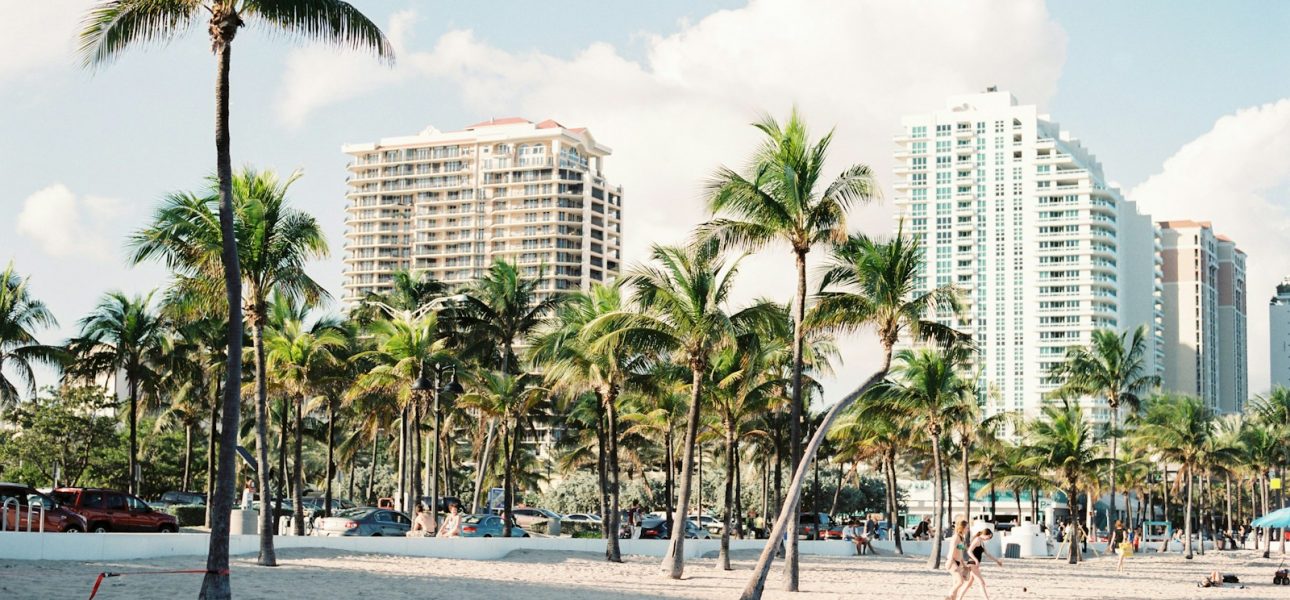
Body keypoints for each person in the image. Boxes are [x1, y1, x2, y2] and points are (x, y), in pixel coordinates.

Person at [960, 528, 1003, 600]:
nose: (988, 539)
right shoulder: (977, 540)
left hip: (974, 564)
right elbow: (969, 551)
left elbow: (988, 554)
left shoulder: (982, 542)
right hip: (972, 563)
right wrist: (976, 560)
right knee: (981, 583)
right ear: (985, 534)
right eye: (989, 537)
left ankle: (959, 598)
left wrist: (997, 561)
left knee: (969, 584)